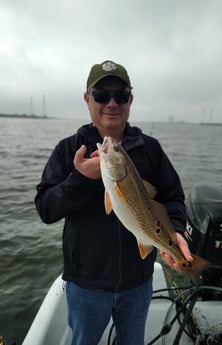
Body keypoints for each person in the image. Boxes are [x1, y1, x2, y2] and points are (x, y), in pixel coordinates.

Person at [35, 60, 192, 345]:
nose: (111, 103)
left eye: (120, 96)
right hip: (86, 286)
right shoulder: (69, 150)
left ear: (130, 100)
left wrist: (176, 231)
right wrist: (80, 179)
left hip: (139, 284)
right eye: (101, 95)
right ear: (87, 98)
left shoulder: (151, 149)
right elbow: (45, 208)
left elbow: (173, 197)